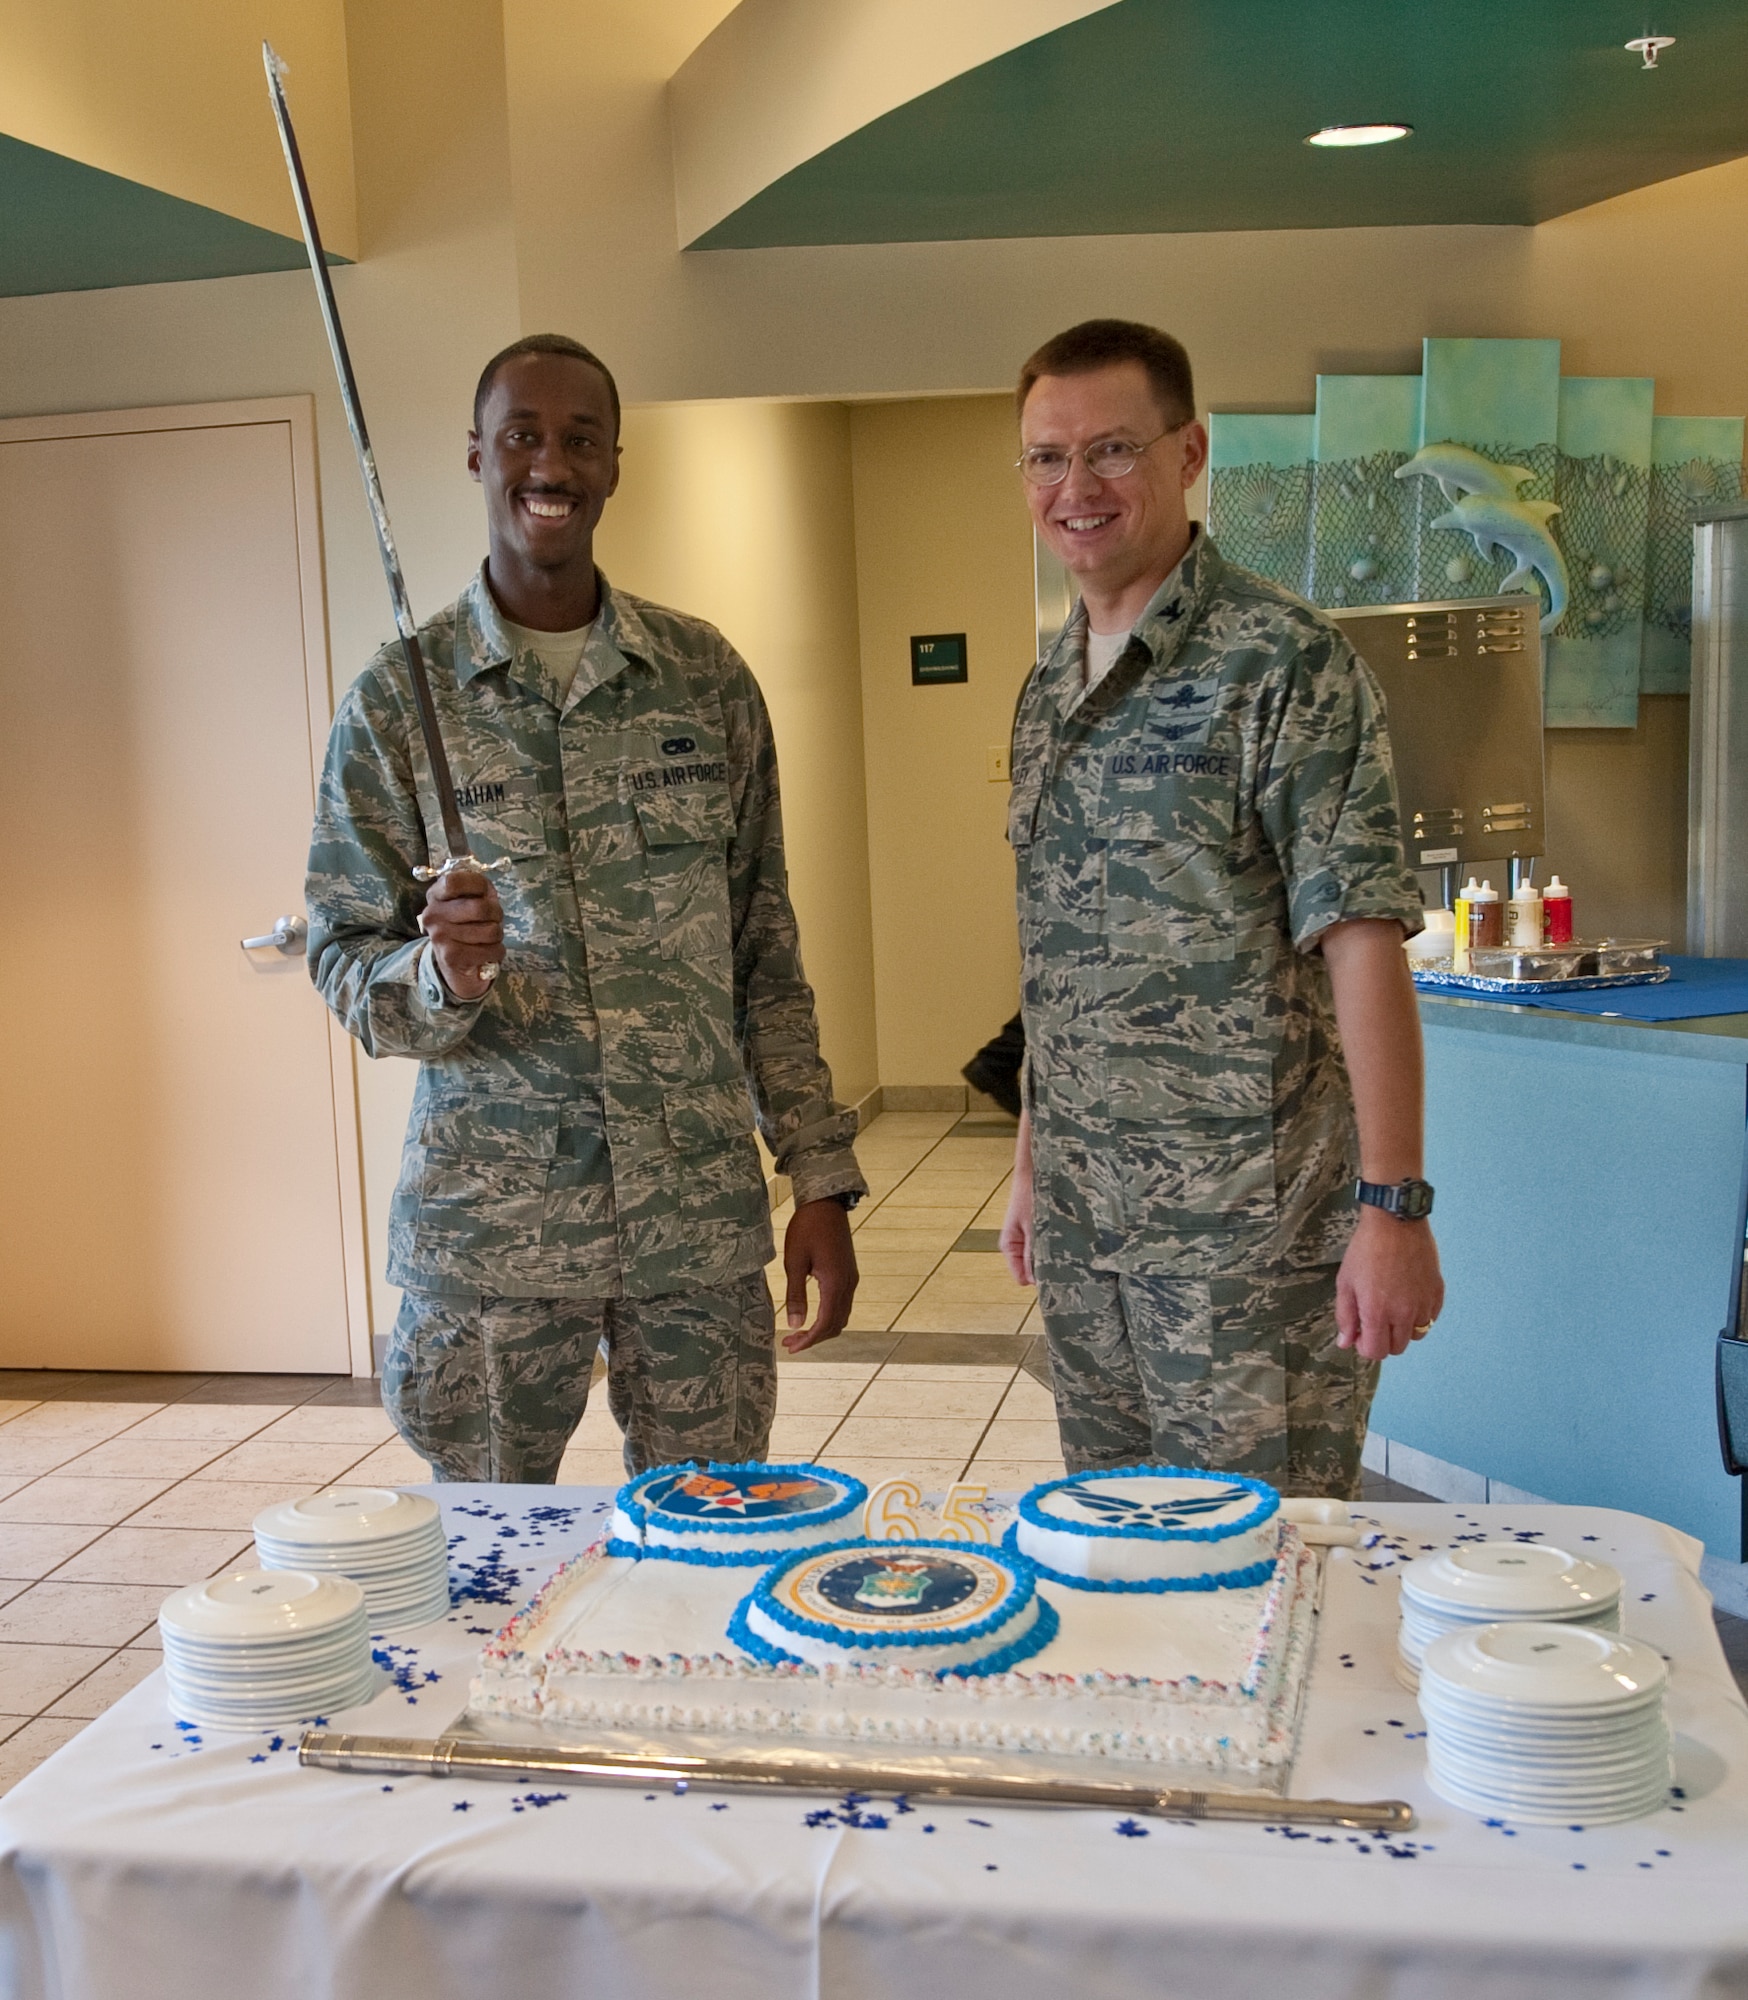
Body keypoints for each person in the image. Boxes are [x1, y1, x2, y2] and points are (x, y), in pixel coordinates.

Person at [306, 333, 864, 1483]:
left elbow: (764, 950)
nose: (550, 465)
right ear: (477, 454)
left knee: (708, 1534)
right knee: (489, 1556)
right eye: (521, 436)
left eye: (579, 439)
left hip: (691, 1229)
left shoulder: (703, 680)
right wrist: (439, 975)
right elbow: (343, 958)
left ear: (614, 462)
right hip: (494, 1237)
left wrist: (815, 1172)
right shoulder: (399, 703)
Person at [997, 318, 1443, 1499]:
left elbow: (1361, 941)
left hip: (1248, 1249)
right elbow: (1055, 957)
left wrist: (1392, 1208)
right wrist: (1033, 1162)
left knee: (1262, 1560)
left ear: (1188, 453)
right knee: (1111, 1547)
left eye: (1111, 449)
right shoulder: (1045, 691)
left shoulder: (1283, 664)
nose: (1075, 487)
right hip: (1089, 1240)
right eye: (1045, 457)